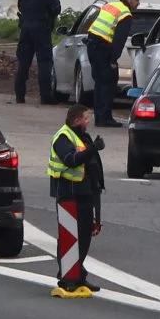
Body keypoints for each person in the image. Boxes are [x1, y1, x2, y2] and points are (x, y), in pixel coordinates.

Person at [48, 104, 107, 292]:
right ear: (76, 120)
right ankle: (67, 277)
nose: (88, 122)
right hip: (68, 193)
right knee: (69, 237)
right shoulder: (63, 137)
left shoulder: (82, 135)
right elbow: (71, 160)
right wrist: (93, 149)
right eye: (85, 118)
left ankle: (78, 275)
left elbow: (91, 163)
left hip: (85, 192)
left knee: (83, 236)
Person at [85, 0, 141, 127]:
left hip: (92, 45)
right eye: (136, 0)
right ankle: (105, 118)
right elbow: (119, 40)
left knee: (99, 83)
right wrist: (113, 60)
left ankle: (99, 117)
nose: (138, 3)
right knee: (108, 82)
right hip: (103, 48)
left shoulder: (110, 5)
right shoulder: (125, 15)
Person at [14, 0, 62, 104]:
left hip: (26, 28)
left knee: (23, 62)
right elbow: (56, 7)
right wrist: (48, 16)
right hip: (41, 28)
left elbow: (20, 6)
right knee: (44, 62)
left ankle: (19, 95)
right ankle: (45, 97)